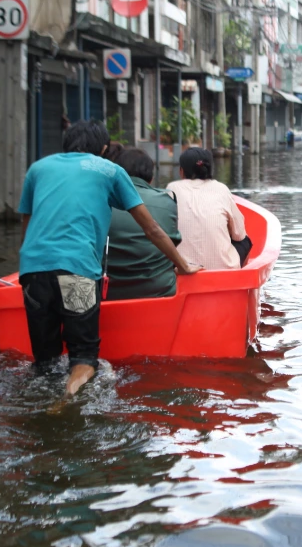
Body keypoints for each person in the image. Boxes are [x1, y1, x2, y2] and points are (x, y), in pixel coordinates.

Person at [18, 120, 200, 397]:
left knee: (46, 362)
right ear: (103, 148)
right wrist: (183, 265)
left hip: (33, 273)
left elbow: (27, 226)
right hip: (76, 273)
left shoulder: (38, 169)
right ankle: (68, 398)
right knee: (83, 358)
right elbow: (151, 228)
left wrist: (30, 267)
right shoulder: (109, 170)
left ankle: (42, 403)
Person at [103, 148, 183, 301]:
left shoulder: (101, 199)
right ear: (151, 178)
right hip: (159, 291)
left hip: (108, 292)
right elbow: (173, 242)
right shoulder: (167, 200)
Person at [167, 147, 247, 272]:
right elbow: (239, 234)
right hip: (223, 270)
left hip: (181, 269)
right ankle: (237, 274)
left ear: (181, 171)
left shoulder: (172, 188)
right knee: (245, 241)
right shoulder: (221, 189)